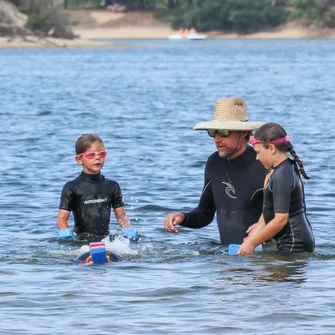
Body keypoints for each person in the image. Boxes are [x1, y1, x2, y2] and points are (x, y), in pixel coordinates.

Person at [164, 97, 267, 244]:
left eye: (224, 132)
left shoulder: (263, 164)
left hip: (261, 259)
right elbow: (205, 213)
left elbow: (283, 215)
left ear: (244, 132)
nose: (217, 139)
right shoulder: (214, 162)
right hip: (227, 259)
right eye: (213, 132)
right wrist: (182, 217)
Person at [237, 123, 315, 255]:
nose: (257, 158)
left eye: (258, 152)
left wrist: (252, 243)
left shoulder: (282, 175)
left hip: (294, 244)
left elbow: (280, 220)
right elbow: (267, 210)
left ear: (272, 148)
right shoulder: (281, 169)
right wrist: (252, 237)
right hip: (291, 241)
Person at [57, 134, 135, 242]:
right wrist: (66, 232)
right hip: (81, 242)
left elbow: (121, 216)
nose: (98, 157)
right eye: (91, 155)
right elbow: (62, 219)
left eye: (102, 154)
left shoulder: (112, 186)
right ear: (79, 159)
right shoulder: (72, 187)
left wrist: (127, 228)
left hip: (106, 241)